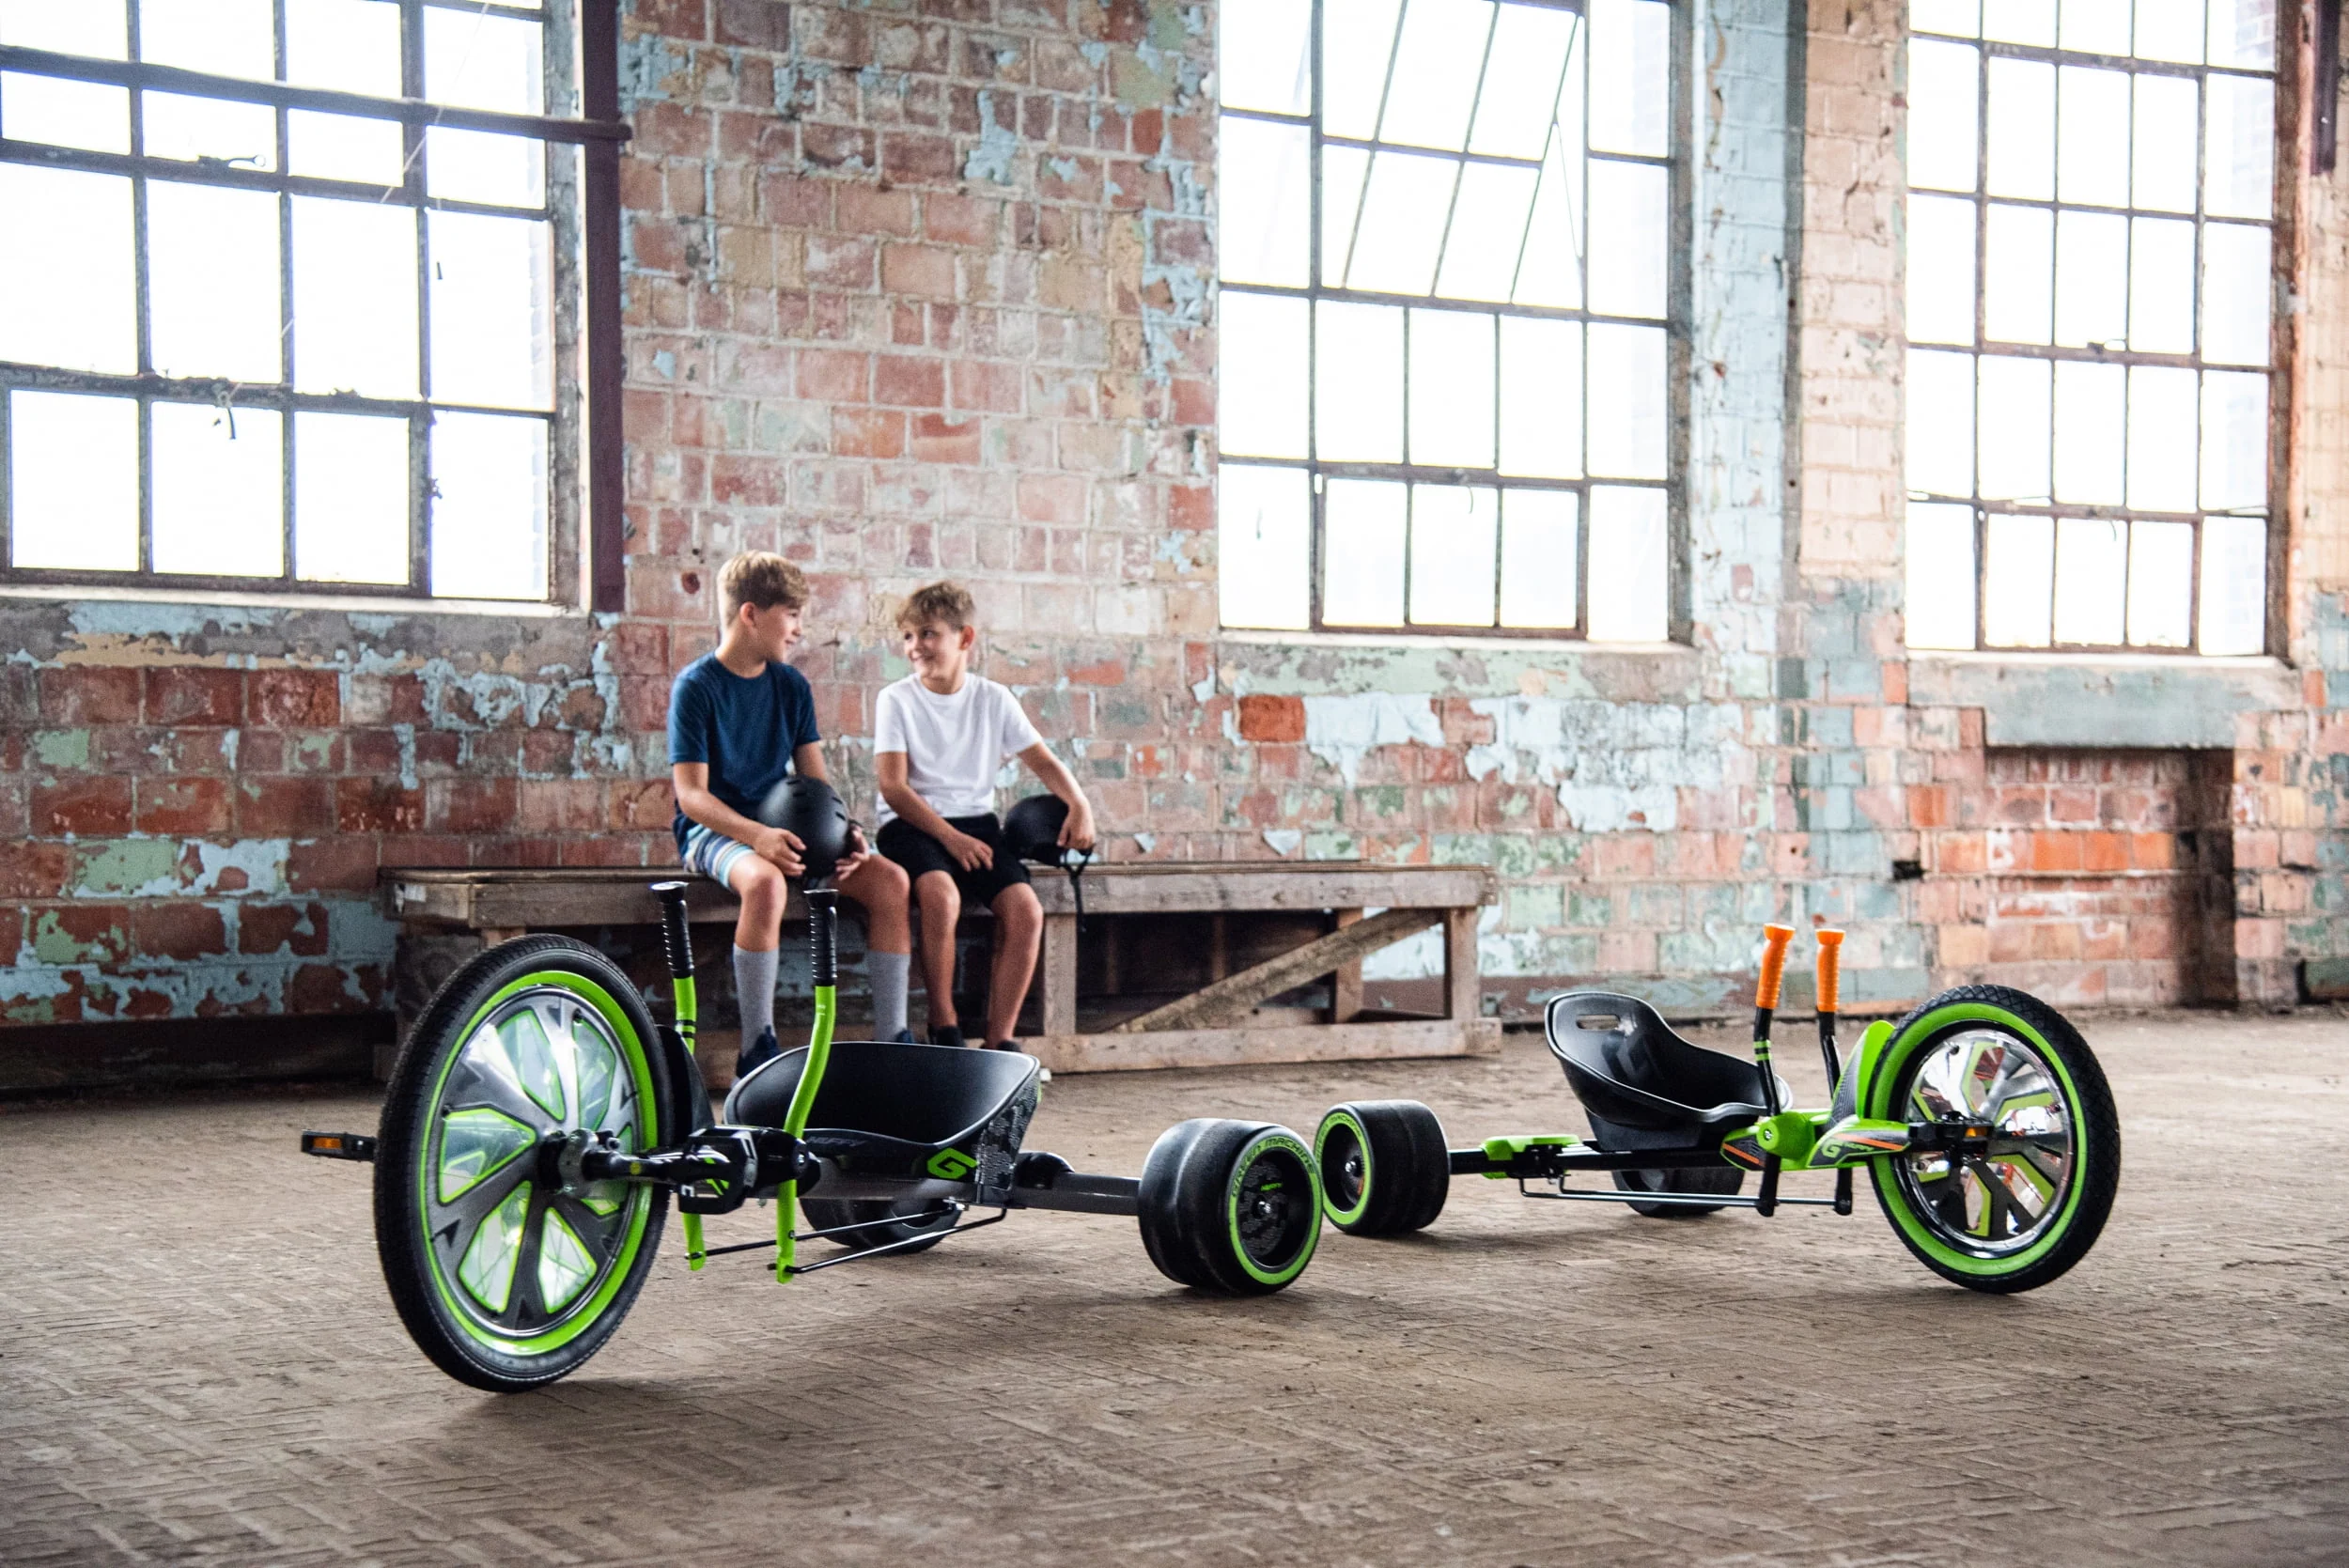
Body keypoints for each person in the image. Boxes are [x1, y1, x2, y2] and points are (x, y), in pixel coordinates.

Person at [669, 551, 914, 1079]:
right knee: (766, 886)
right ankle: (756, 1049)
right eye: (792, 615)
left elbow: (815, 780)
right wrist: (757, 837)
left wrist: (845, 832)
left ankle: (895, 1042)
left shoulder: (791, 686)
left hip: (789, 830)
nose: (800, 630)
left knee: (890, 881)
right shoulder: (696, 687)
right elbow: (691, 795)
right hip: (718, 831)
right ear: (751, 614)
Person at [875, 581, 1096, 1049]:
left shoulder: (993, 699)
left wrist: (1080, 803)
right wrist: (950, 840)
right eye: (910, 637)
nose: (917, 647)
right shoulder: (896, 699)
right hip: (911, 823)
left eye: (929, 634)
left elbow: (1044, 762)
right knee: (940, 894)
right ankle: (945, 1027)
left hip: (976, 823)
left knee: (1026, 910)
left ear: (965, 638)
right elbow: (893, 787)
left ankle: (1001, 1042)